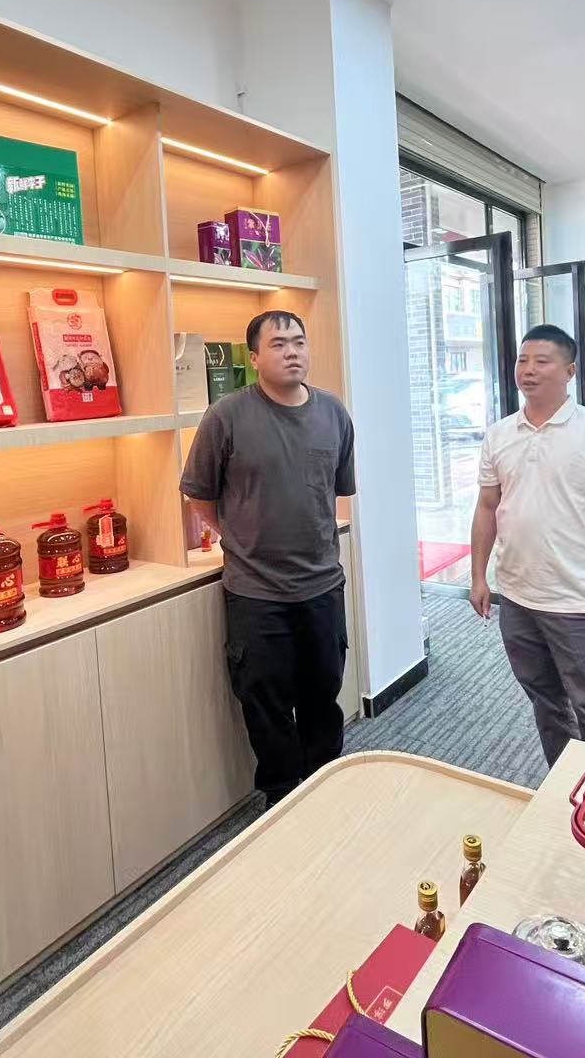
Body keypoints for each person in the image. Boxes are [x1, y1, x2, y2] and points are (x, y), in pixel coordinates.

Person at [181, 309, 355, 807]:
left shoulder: (333, 413)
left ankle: (324, 792)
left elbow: (337, 490)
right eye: (278, 344)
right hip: (256, 593)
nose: (292, 352)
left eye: (299, 342)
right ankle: (281, 801)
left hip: (322, 585)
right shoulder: (226, 416)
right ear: (254, 358)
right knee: (265, 703)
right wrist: (238, 536)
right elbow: (200, 496)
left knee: (323, 695)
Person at [468, 324, 585, 765]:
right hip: (516, 594)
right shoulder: (500, 434)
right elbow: (488, 506)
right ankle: (564, 782)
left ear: (569, 371)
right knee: (545, 700)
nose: (528, 370)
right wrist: (478, 577)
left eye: (542, 361)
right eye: (522, 360)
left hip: (574, 599)